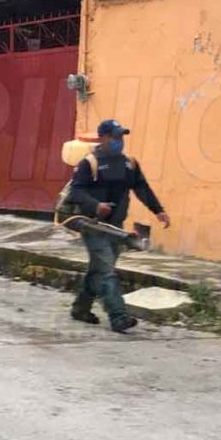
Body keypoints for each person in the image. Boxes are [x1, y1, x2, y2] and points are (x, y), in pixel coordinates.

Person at [67, 119, 170, 333]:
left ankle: (80, 308)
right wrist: (96, 205)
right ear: (102, 138)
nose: (119, 141)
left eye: (121, 136)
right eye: (115, 136)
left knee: (98, 270)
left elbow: (142, 188)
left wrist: (158, 210)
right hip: (92, 225)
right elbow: (76, 192)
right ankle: (118, 316)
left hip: (116, 227)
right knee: (106, 271)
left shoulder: (129, 163)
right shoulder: (89, 163)